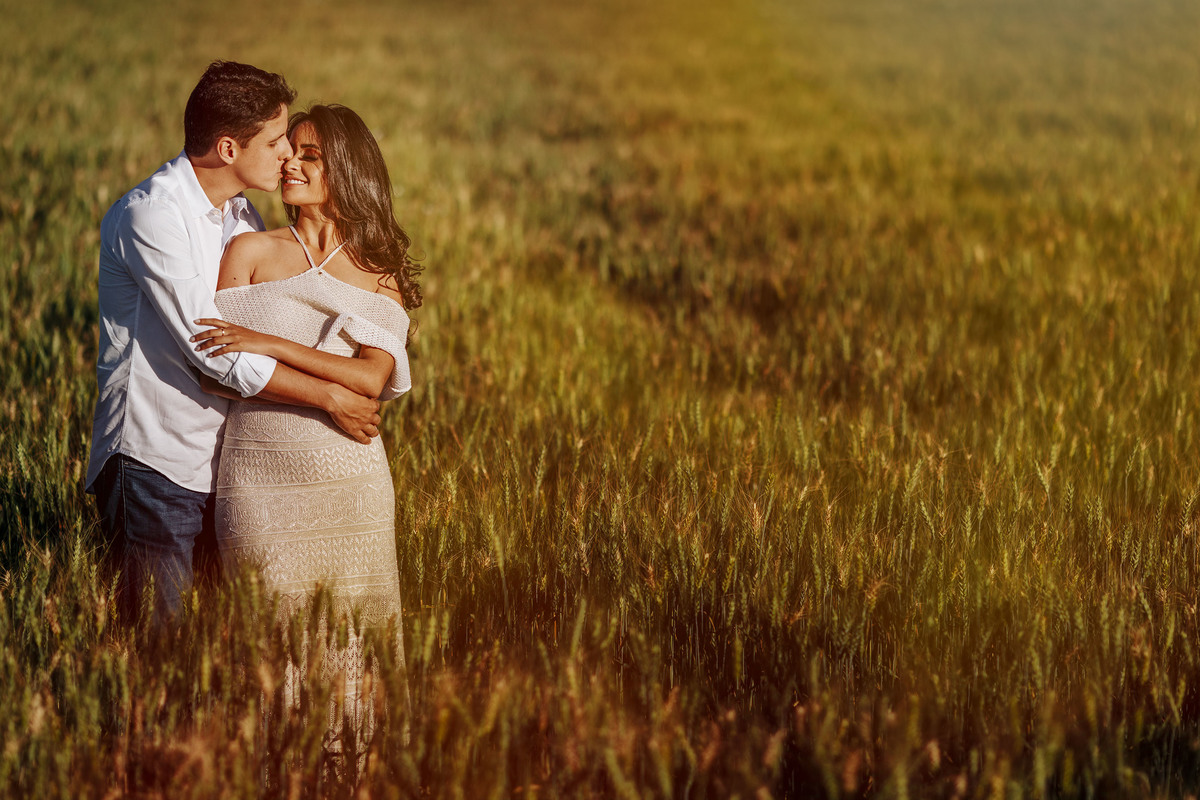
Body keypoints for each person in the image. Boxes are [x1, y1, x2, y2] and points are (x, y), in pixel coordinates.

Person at [86, 62, 383, 625]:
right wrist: (328, 397)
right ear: (228, 148)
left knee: (218, 654)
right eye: (275, 141)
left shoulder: (239, 216)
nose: (286, 156)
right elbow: (212, 349)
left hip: (225, 470)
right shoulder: (153, 216)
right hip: (156, 463)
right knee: (158, 654)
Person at [190, 103, 422, 747]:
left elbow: (371, 380)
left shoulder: (379, 272)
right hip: (258, 481)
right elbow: (217, 365)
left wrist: (271, 342)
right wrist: (328, 382)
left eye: (310, 154)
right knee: (266, 641)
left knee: (354, 643)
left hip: (350, 486)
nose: (291, 162)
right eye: (289, 150)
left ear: (345, 169)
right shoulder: (250, 250)